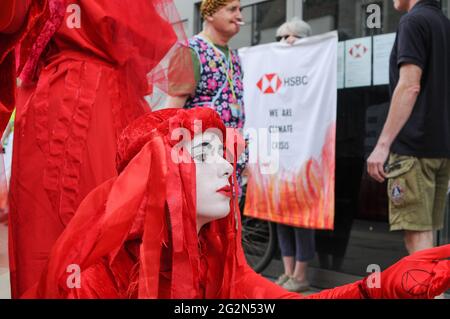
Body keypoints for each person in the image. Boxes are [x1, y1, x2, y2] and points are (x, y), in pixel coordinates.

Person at [23, 107, 450, 299]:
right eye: (204, 153)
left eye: (223, 150)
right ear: (155, 177)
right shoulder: (98, 280)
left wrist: (376, 287)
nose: (229, 167)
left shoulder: (218, 257)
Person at [0, 0, 193, 297]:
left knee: (58, 233)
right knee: (109, 230)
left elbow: (10, 18)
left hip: (67, 99)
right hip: (109, 98)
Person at [367, 0, 450, 255]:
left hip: (413, 149)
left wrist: (382, 146)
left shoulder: (413, 21)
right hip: (441, 148)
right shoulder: (445, 24)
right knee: (429, 235)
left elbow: (410, 86)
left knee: (417, 239)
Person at [166, 0, 247, 191]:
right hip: (202, 157)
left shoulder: (235, 57)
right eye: (232, 10)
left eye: (240, 10)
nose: (240, 16)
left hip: (230, 156)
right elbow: (172, 110)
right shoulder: (190, 52)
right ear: (210, 14)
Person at [272, 18, 315, 292]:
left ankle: (301, 274)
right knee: (277, 212)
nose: (287, 41)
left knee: (301, 215)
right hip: (278, 149)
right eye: (282, 37)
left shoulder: (314, 71)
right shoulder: (273, 72)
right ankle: (287, 272)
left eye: (294, 36)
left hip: (304, 152)